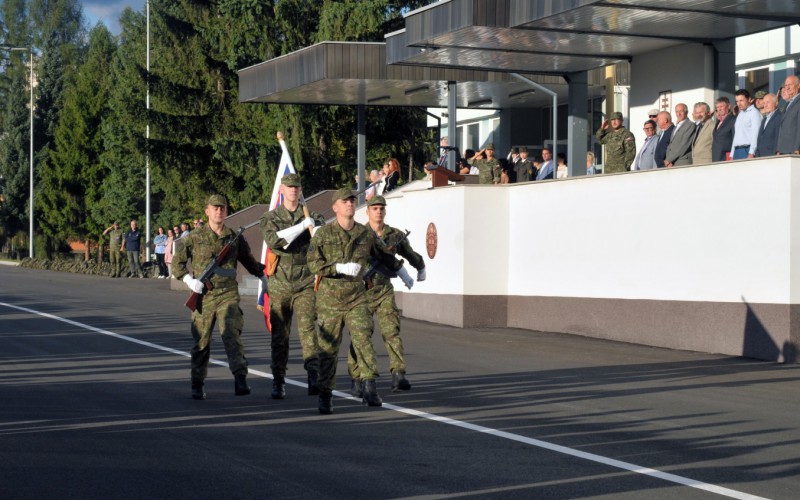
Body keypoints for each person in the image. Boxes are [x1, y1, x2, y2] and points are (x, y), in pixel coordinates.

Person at [306, 188, 411, 414]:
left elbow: (384, 255)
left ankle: (370, 386)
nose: (350, 204)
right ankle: (325, 393)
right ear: (335, 207)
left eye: (352, 201)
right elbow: (313, 264)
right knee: (328, 348)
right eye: (345, 201)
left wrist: (402, 271)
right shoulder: (323, 234)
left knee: (364, 339)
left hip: (356, 296)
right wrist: (337, 268)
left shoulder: (365, 234)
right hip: (330, 299)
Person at [173, 194, 268, 401]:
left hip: (228, 294)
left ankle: (240, 378)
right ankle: (197, 383)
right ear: (207, 211)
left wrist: (263, 277)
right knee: (202, 340)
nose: (219, 211)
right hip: (204, 295)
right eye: (215, 208)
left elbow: (249, 261)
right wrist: (190, 281)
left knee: (231, 332)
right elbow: (177, 264)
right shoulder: (193, 237)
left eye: (222, 208)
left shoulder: (234, 237)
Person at [347, 195, 425, 396]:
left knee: (392, 332)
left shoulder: (394, 235)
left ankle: (399, 374)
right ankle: (356, 377)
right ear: (368, 212)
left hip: (383, 291)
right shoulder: (358, 234)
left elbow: (409, 253)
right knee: (361, 336)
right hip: (361, 293)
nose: (378, 211)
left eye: (381, 208)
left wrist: (420, 267)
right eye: (375, 208)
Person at [259, 173, 326, 399]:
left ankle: (313, 375)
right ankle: (278, 380)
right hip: (280, 282)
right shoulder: (270, 217)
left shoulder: (312, 215)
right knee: (280, 336)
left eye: (296, 187)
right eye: (289, 187)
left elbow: (322, 238)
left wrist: (314, 228)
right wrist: (300, 228)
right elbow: (275, 242)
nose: (293, 190)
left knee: (308, 331)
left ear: (300, 190)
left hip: (306, 280)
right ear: (282, 190)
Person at [730, 89, 762, 160]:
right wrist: (732, 154)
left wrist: (751, 152)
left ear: (749, 99)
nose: (739, 103)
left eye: (741, 100)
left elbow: (756, 134)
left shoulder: (754, 113)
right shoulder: (740, 115)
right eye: (737, 101)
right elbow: (736, 135)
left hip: (747, 149)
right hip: (737, 151)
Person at [776, 75, 800, 155]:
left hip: (794, 150)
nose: (787, 88)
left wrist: (798, 147)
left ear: (798, 85)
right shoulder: (788, 104)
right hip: (784, 150)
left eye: (790, 85)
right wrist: (778, 149)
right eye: (786, 85)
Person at [755, 93, 781, 157]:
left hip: (772, 155)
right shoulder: (764, 119)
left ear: (776, 103)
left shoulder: (779, 117)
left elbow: (778, 137)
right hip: (760, 155)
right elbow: (760, 138)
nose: (765, 105)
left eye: (768, 102)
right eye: (764, 103)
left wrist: (776, 153)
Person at [712, 97, 735, 161]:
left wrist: (732, 156)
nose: (719, 109)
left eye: (721, 106)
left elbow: (735, 139)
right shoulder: (719, 121)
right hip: (716, 157)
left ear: (728, 106)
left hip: (726, 157)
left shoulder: (733, 120)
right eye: (717, 107)